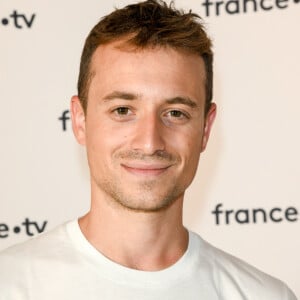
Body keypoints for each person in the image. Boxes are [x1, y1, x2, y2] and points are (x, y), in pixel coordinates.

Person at [0, 0, 297, 299]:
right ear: (79, 120)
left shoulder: (265, 296)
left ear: (206, 129)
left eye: (175, 113)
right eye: (123, 110)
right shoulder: (10, 284)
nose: (149, 141)